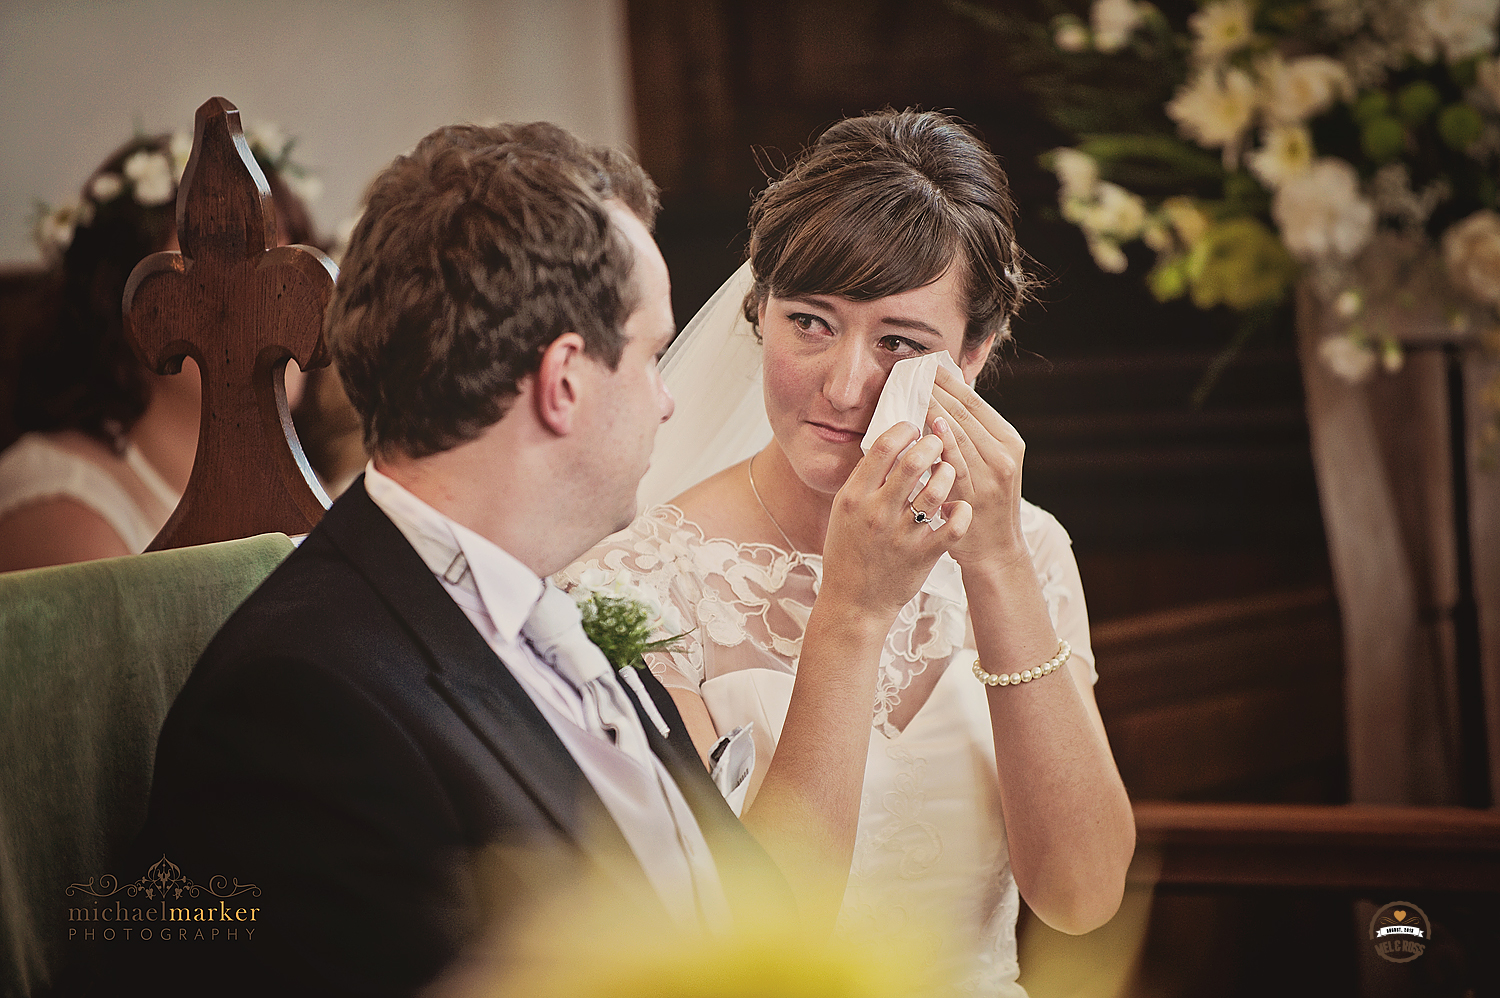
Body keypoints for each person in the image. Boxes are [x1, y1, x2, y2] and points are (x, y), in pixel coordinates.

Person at [118, 122, 784, 998]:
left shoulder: (558, 604)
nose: (667, 403)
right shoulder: (297, 712)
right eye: (651, 355)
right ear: (564, 383)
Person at [565, 109, 1135, 995]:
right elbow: (747, 950)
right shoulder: (638, 588)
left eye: (899, 343)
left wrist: (996, 565)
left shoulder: (1031, 552)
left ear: (975, 354)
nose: (842, 386)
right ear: (759, 312)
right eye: (811, 323)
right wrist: (853, 611)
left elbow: (1082, 895)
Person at [0, 130, 326, 571]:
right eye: (232, 266)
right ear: (129, 297)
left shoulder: (316, 486)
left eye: (284, 261)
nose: (276, 301)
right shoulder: (60, 500)